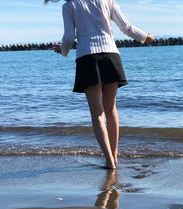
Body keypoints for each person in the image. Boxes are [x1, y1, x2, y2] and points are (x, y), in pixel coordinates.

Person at [46, 0, 154, 169]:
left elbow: (68, 37)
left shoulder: (69, 6)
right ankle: (115, 155)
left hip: (87, 58)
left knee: (97, 114)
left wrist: (63, 50)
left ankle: (109, 161)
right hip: (111, 55)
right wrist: (145, 37)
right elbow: (126, 26)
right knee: (111, 109)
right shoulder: (107, 0)